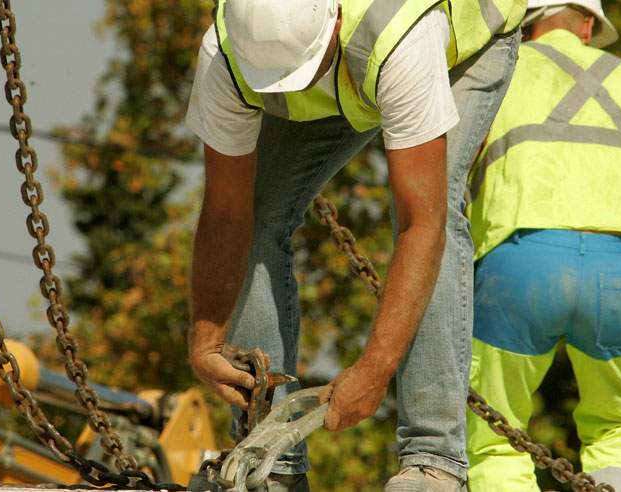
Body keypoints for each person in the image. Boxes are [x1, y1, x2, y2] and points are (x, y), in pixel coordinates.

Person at [185, 0, 526, 489]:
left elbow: (420, 223)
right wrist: (206, 341)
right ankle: (271, 465)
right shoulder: (228, 54)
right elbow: (225, 212)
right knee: (258, 212)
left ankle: (432, 461)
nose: (296, 89)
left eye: (302, 74)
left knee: (435, 200)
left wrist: (376, 367)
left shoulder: (399, 36)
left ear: (335, 24)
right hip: (353, 67)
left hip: (465, 36)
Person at [465, 1, 621, 491]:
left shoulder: (498, 72)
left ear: (525, 26)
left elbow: (453, 175)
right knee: (619, 429)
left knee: (495, 437)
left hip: (519, 264)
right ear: (589, 25)